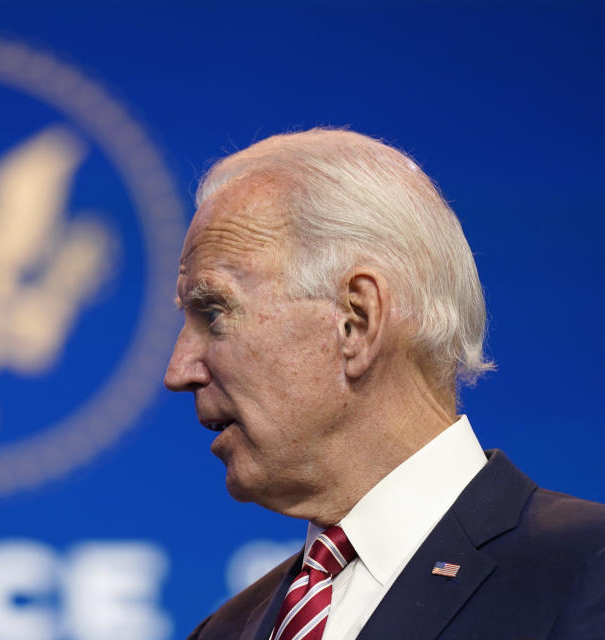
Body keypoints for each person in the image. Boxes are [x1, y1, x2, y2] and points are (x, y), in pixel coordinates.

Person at [164, 128, 605, 640]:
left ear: (356, 321)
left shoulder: (587, 574)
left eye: (214, 313)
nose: (178, 370)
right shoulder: (223, 631)